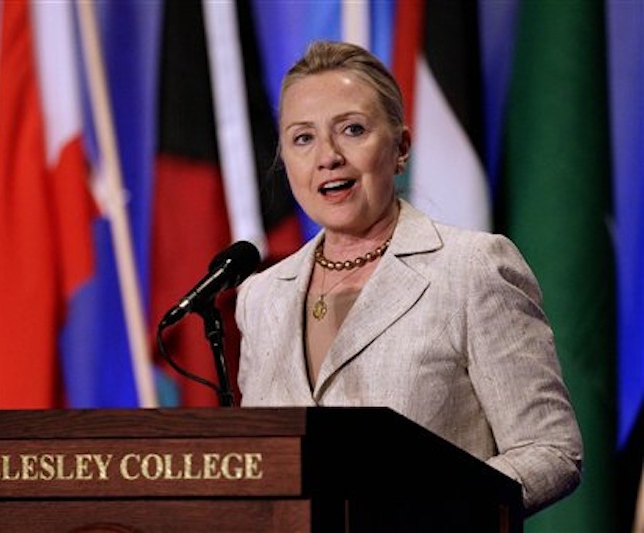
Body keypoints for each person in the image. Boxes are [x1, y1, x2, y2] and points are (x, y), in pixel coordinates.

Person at [234, 40, 583, 516]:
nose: (328, 156)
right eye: (302, 138)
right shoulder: (260, 298)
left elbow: (551, 451)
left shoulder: (471, 268)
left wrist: (427, 509)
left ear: (400, 148)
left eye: (352, 130)